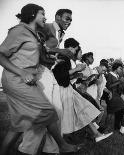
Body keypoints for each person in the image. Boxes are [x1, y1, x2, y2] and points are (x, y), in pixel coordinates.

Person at [0, 4, 78, 155]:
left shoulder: (32, 33)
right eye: (42, 14)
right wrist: (21, 72)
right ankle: (62, 145)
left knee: (18, 125)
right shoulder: (19, 31)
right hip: (18, 80)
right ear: (32, 14)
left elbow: (38, 54)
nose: (45, 17)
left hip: (28, 78)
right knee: (48, 111)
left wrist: (52, 59)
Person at [52, 38, 113, 142]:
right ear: (71, 48)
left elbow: (65, 75)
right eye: (76, 50)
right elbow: (60, 75)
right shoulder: (63, 58)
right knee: (66, 118)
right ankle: (61, 143)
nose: (76, 52)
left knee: (82, 112)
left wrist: (77, 74)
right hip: (63, 91)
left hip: (69, 90)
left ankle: (96, 134)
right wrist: (77, 70)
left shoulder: (65, 58)